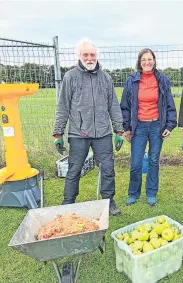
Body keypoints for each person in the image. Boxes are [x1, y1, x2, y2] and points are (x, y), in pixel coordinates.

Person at [53, 38, 124, 216]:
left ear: (97, 56)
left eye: (93, 54)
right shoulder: (70, 77)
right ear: (79, 56)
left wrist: (119, 130)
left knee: (107, 168)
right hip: (78, 133)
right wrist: (58, 133)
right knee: (74, 168)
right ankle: (68, 201)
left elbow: (113, 105)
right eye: (86, 54)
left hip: (103, 133)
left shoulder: (106, 78)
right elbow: (63, 106)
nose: (90, 58)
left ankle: (109, 201)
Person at [120, 48, 177, 206]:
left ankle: (151, 193)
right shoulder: (132, 80)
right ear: (139, 62)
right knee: (136, 163)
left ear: (154, 60)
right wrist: (127, 127)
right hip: (138, 127)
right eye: (143, 59)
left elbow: (170, 104)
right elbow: (125, 106)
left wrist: (170, 125)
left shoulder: (162, 80)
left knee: (153, 160)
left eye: (150, 59)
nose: (147, 62)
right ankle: (133, 193)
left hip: (156, 126)